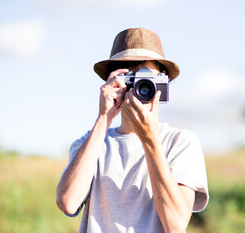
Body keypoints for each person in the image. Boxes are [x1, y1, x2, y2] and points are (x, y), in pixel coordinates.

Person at [56, 28, 209, 233]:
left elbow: (175, 225)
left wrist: (150, 139)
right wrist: (104, 119)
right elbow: (67, 202)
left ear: (163, 83)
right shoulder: (91, 143)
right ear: (112, 83)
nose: (140, 85)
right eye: (131, 77)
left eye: (148, 77)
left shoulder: (181, 142)